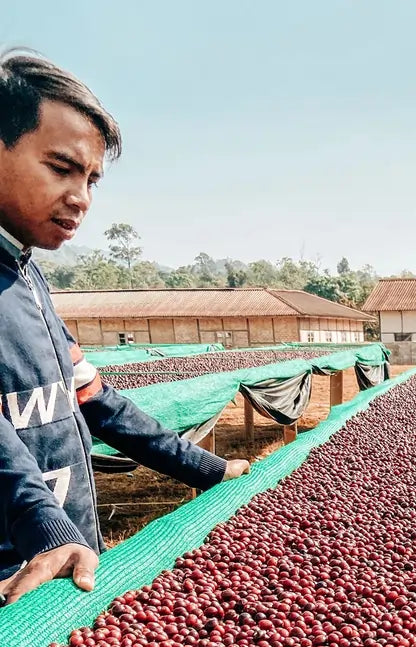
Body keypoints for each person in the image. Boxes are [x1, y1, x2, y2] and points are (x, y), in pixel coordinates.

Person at [0, 50, 250, 606]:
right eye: (61, 168)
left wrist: (206, 467)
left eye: (91, 178)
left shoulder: (28, 279)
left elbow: (97, 401)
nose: (81, 198)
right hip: (14, 583)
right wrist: (47, 527)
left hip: (67, 567)